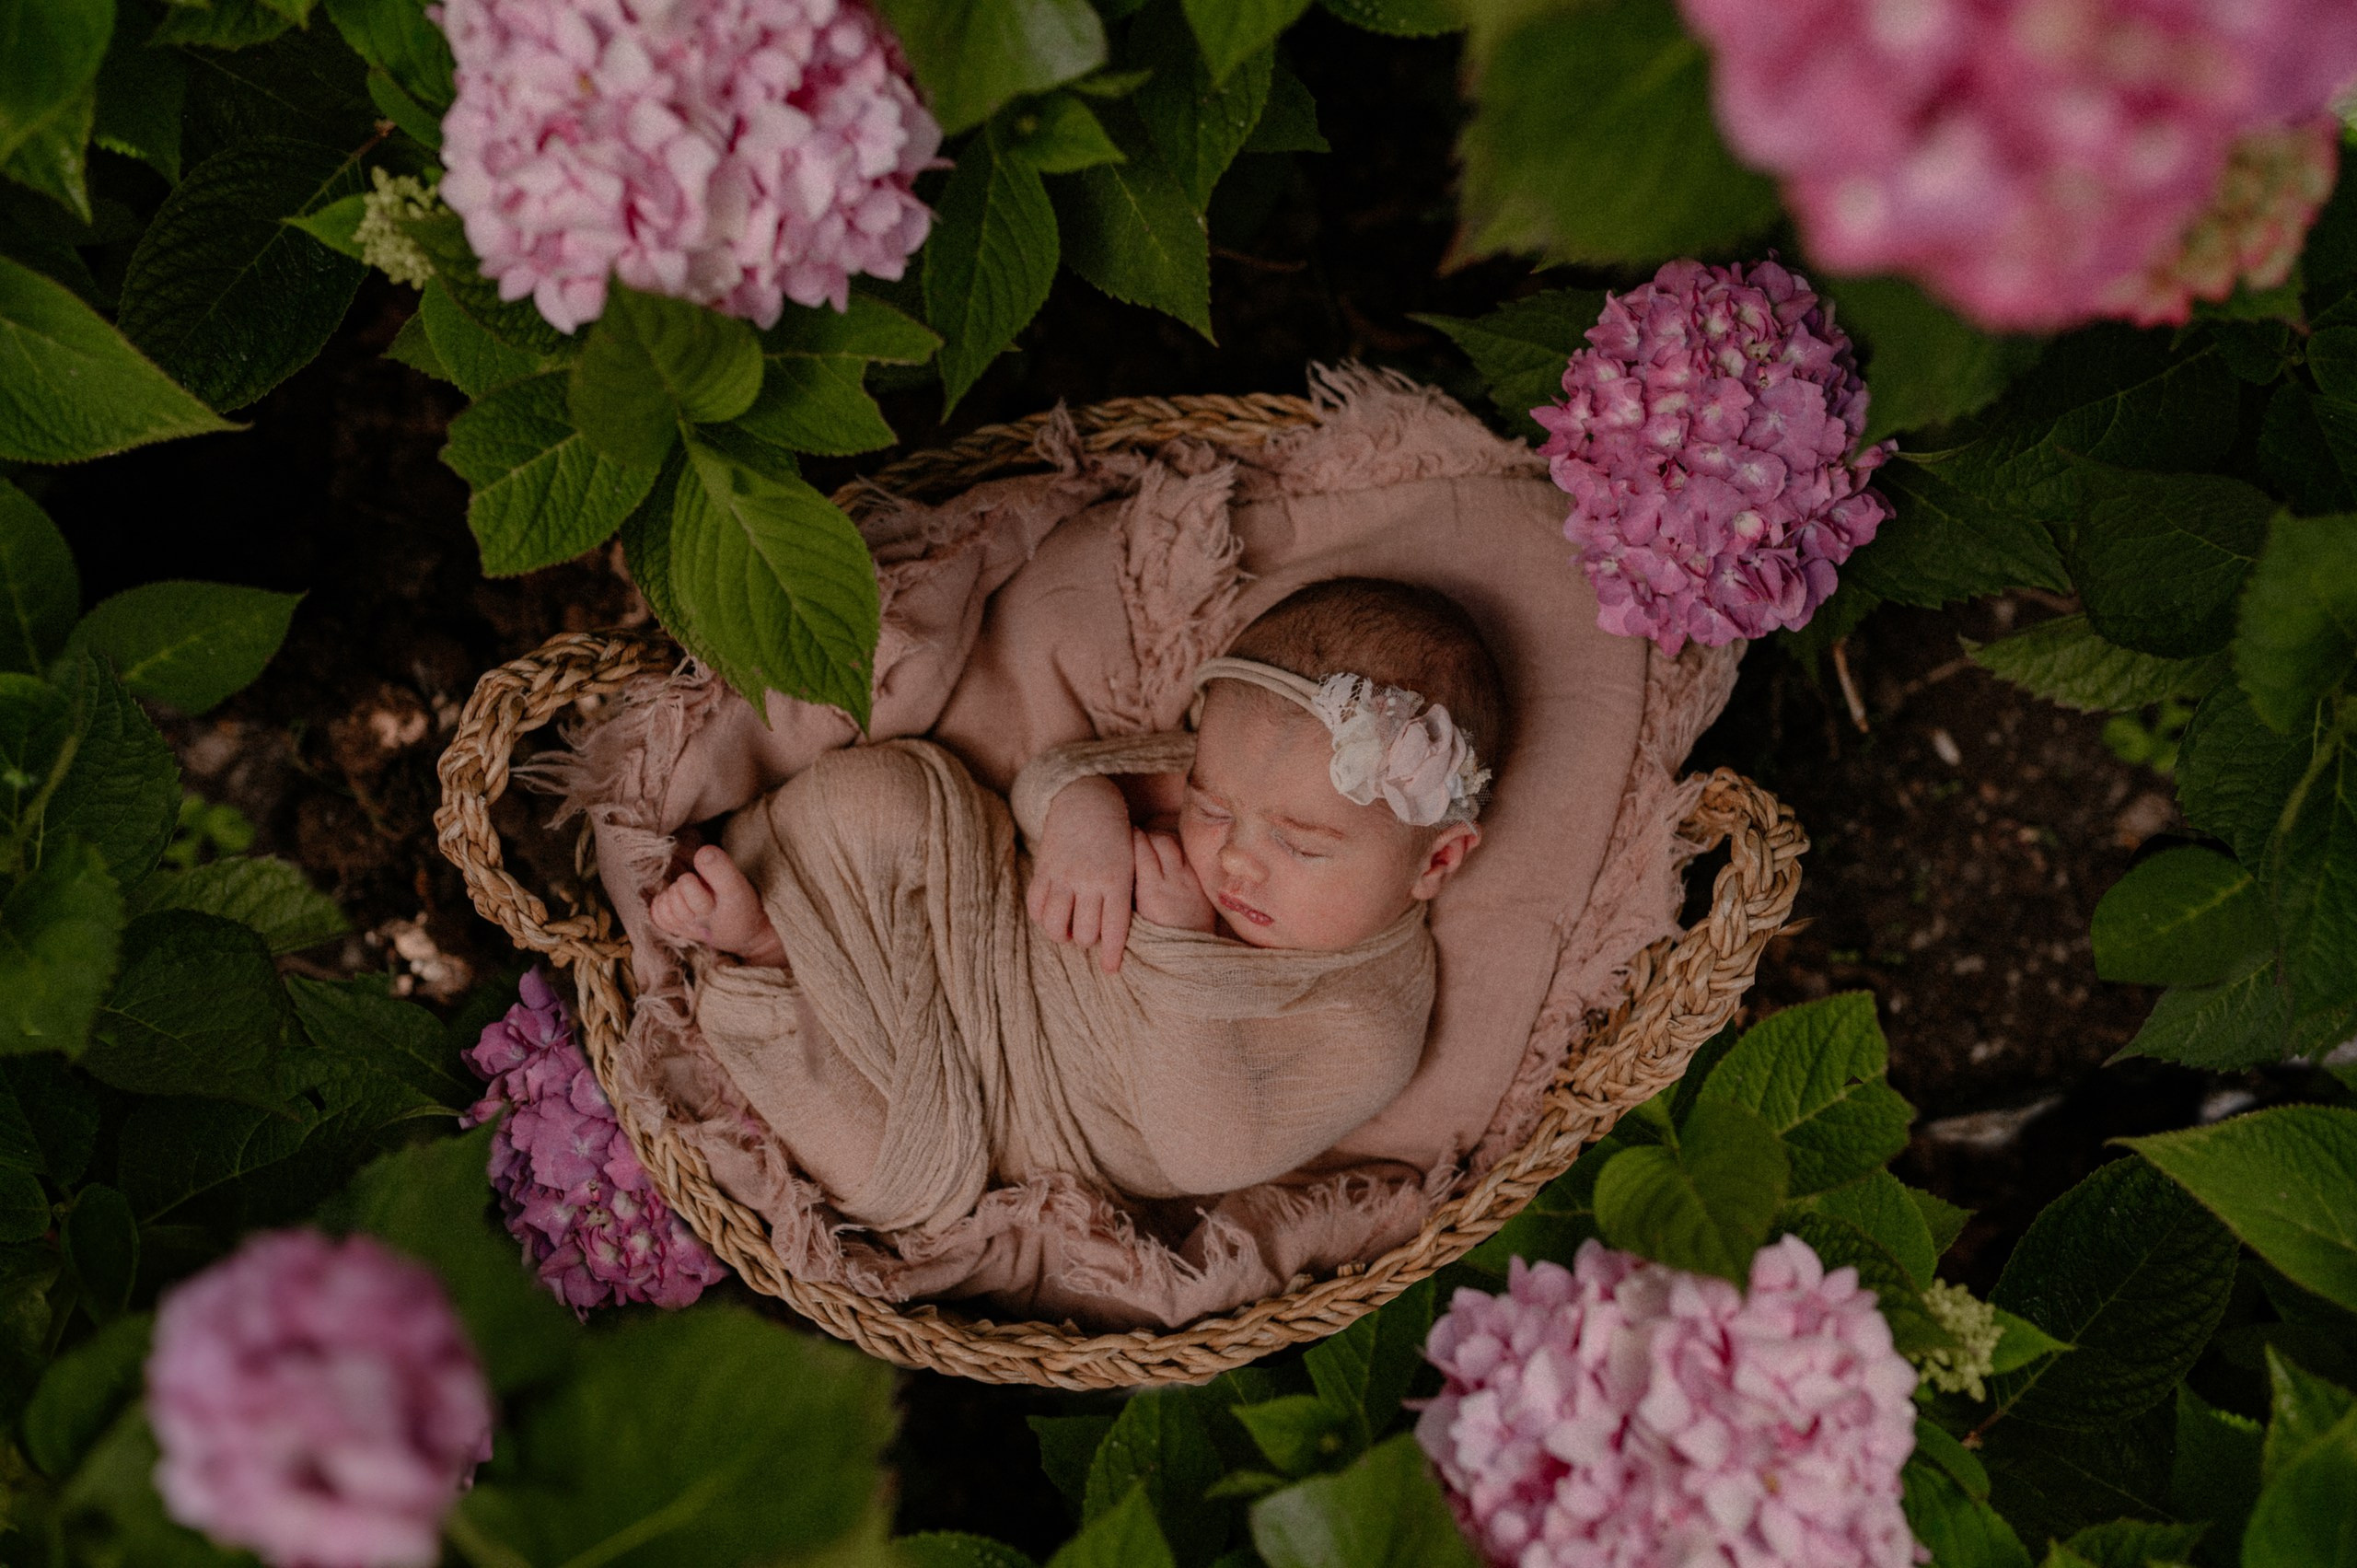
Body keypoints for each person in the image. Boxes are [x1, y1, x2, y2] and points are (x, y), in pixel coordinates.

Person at [648, 577, 1511, 1234]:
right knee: (899, 794)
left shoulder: (1370, 1027)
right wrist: (1085, 814)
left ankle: (767, 960)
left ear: (1435, 860)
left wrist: (1176, 946)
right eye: (1210, 808)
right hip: (975, 922)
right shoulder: (1256, 772)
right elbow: (1056, 779)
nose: (1237, 857)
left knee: (898, 1178)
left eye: (1302, 846)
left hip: (1019, 1115)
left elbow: (1205, 1150)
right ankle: (767, 887)